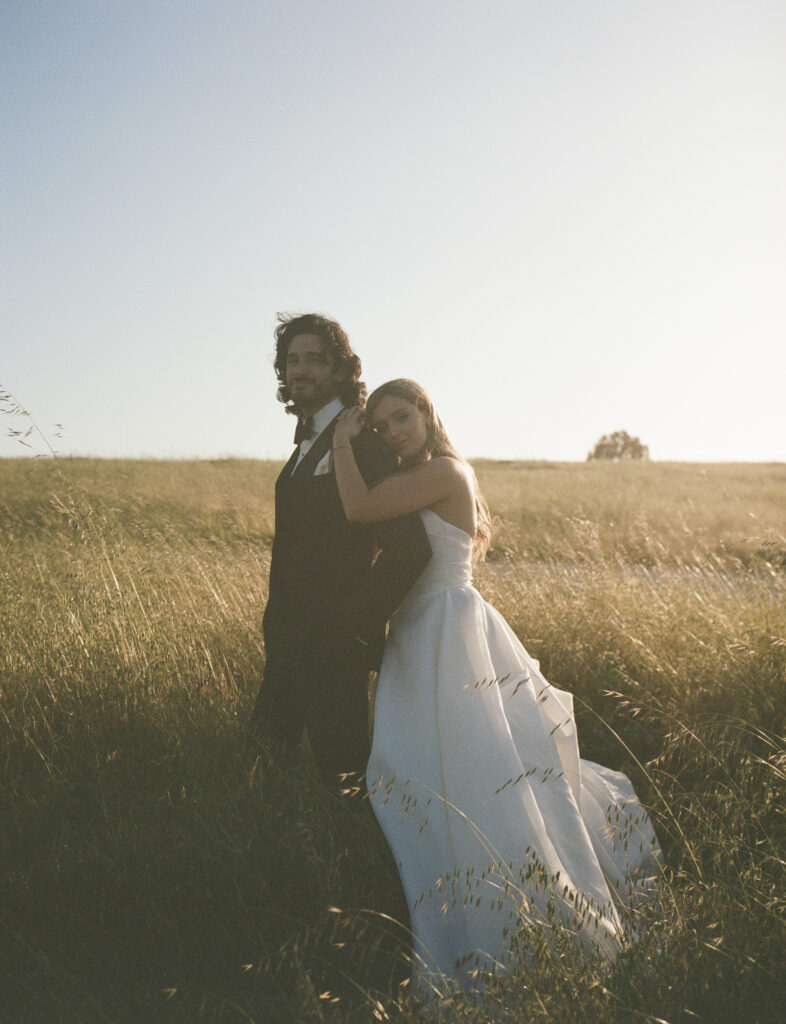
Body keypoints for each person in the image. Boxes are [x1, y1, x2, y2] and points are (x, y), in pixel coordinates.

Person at [331, 379, 662, 992]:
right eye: (382, 427)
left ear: (428, 414)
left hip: (446, 634)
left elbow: (358, 508)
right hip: (420, 631)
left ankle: (514, 921)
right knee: (429, 770)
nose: (394, 432)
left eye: (403, 417)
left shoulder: (445, 472)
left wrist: (344, 444)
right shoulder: (426, 474)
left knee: (476, 774)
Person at [249, 320, 432, 784]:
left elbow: (409, 548)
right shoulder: (308, 437)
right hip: (288, 642)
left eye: (315, 359)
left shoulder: (362, 440)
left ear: (341, 370)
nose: (300, 369)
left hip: (333, 650)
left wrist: (351, 629)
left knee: (344, 782)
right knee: (267, 767)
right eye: (292, 360)